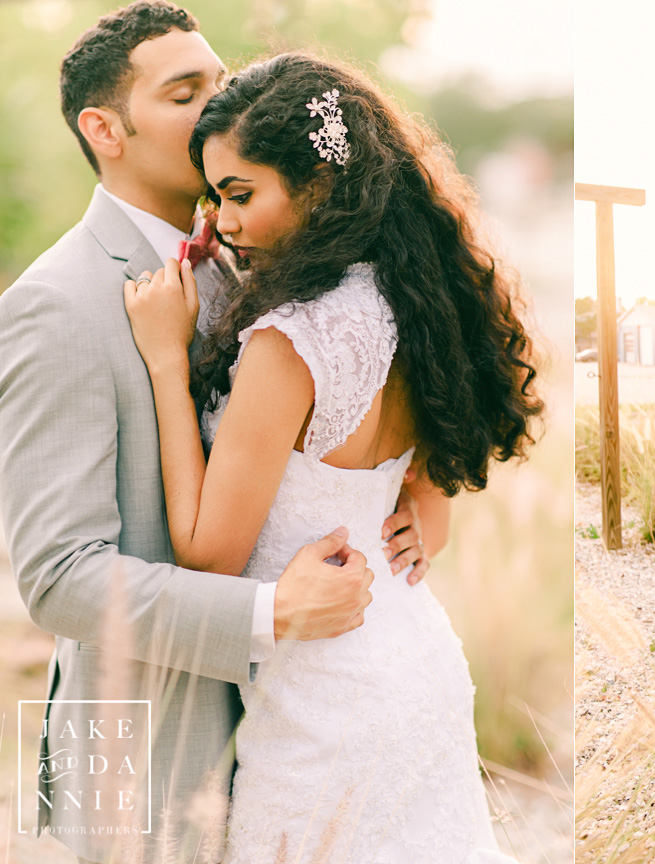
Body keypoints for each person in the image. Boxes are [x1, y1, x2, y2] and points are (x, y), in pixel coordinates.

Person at [0, 4, 427, 862]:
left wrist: (418, 488)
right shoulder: (56, 306)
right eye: (184, 92)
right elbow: (59, 578)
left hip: (309, 726)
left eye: (220, 84)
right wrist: (273, 612)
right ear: (104, 129)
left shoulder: (266, 254)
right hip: (157, 748)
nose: (215, 109)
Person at [122, 51, 541, 862]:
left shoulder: (292, 340)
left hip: (326, 710)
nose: (223, 222)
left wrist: (168, 362)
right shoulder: (417, 297)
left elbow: (209, 554)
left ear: (319, 184)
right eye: (214, 197)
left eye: (240, 195)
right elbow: (426, 483)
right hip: (416, 664)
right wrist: (424, 511)